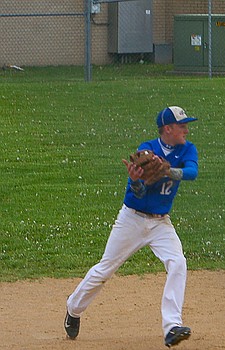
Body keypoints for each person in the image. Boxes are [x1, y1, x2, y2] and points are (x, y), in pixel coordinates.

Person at [65, 106, 199, 347]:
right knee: (104, 270)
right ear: (167, 129)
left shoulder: (187, 149)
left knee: (178, 262)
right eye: (182, 126)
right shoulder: (146, 149)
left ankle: (172, 327)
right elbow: (137, 192)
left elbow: (192, 172)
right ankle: (73, 308)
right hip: (132, 220)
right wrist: (136, 180)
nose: (186, 130)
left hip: (161, 223)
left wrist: (169, 170)